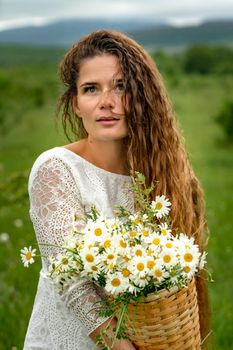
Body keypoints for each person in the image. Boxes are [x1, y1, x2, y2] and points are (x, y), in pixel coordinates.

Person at [23, 29, 211, 349]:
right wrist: (121, 347)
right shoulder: (56, 169)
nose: (106, 103)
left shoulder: (159, 172)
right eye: (91, 89)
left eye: (121, 86)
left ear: (142, 98)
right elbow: (71, 280)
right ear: (76, 103)